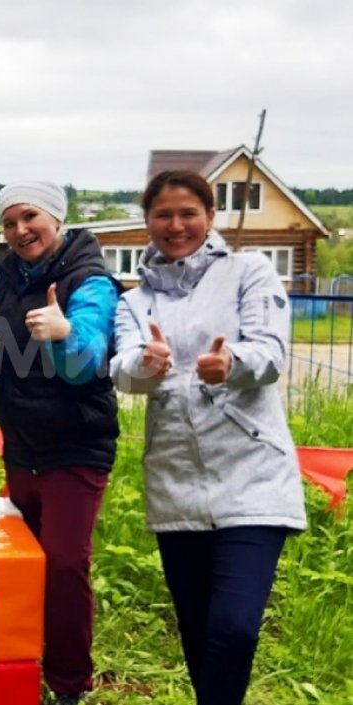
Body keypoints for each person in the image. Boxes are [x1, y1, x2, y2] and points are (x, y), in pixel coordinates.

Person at [109, 170, 307, 705]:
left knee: (235, 627)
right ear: (147, 222)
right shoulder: (134, 302)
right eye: (163, 215)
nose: (176, 225)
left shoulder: (250, 271)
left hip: (253, 476)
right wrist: (145, 365)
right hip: (176, 481)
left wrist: (231, 362)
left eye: (187, 213)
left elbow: (270, 352)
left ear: (210, 216)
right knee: (197, 631)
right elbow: (123, 370)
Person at [0, 181, 121, 705]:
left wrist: (65, 332)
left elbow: (88, 363)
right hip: (21, 442)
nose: (20, 231)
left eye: (30, 217)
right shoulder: (4, 275)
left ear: (56, 218)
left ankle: (70, 683)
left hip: (77, 444)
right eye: (9, 223)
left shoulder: (89, 279)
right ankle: (19, 660)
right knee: (24, 559)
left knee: (65, 562)